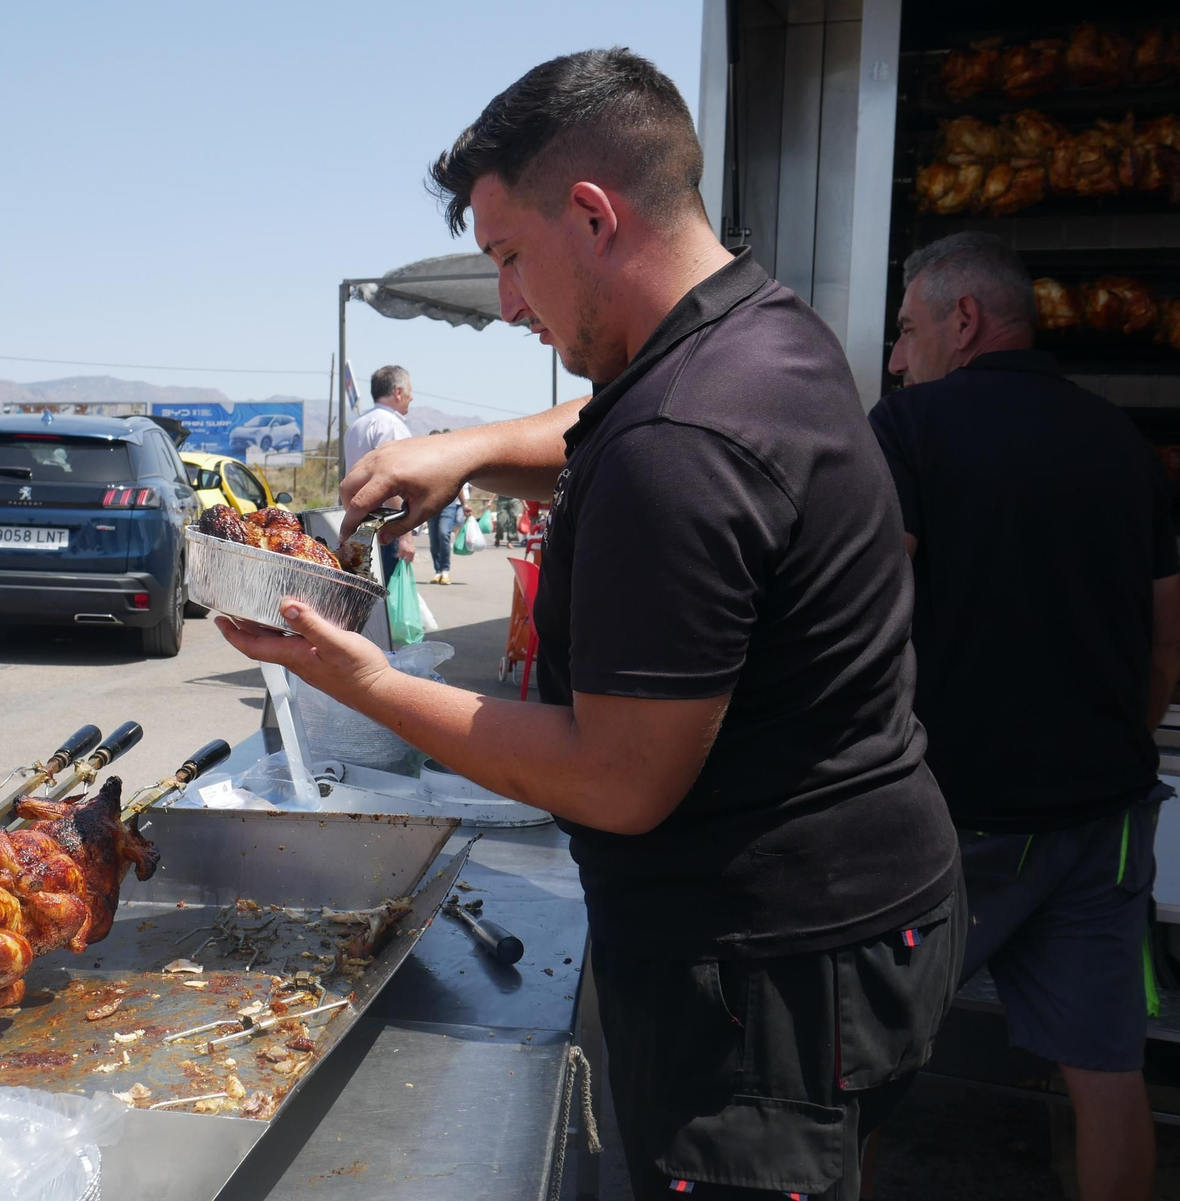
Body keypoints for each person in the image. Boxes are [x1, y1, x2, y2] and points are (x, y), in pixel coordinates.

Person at [218, 49, 960, 1201]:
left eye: (511, 258)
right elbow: (615, 406)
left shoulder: (681, 449)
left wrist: (356, 678)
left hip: (765, 982)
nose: (507, 301)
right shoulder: (760, 327)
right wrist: (464, 451)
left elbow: (619, 780)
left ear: (594, 214)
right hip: (873, 916)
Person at [869, 231, 1178, 1201]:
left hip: (951, 823)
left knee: (858, 1067)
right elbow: (1169, 630)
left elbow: (861, 604)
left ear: (963, 321)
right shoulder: (1124, 445)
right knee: (1107, 1071)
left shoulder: (910, 428)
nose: (894, 355)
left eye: (906, 328)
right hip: (1102, 820)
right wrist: (1122, 734)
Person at [343, 365, 415, 584]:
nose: (412, 398)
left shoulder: (357, 424)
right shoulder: (391, 425)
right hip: (387, 526)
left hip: (362, 524)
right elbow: (392, 482)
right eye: (410, 391)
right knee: (387, 598)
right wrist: (405, 534)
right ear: (398, 392)